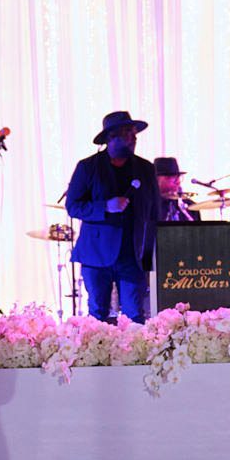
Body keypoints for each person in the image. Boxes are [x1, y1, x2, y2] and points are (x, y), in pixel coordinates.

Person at [65, 110, 161, 323]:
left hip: (132, 256)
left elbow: (155, 212)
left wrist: (150, 252)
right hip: (96, 256)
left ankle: (135, 356)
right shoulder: (88, 167)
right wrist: (105, 207)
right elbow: (73, 206)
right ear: (110, 137)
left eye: (134, 133)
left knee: (135, 316)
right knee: (98, 315)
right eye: (128, 132)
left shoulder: (145, 168)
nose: (134, 137)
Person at [154, 157, 200, 222]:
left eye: (178, 177)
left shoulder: (190, 206)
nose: (178, 181)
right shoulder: (149, 205)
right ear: (156, 180)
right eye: (172, 177)